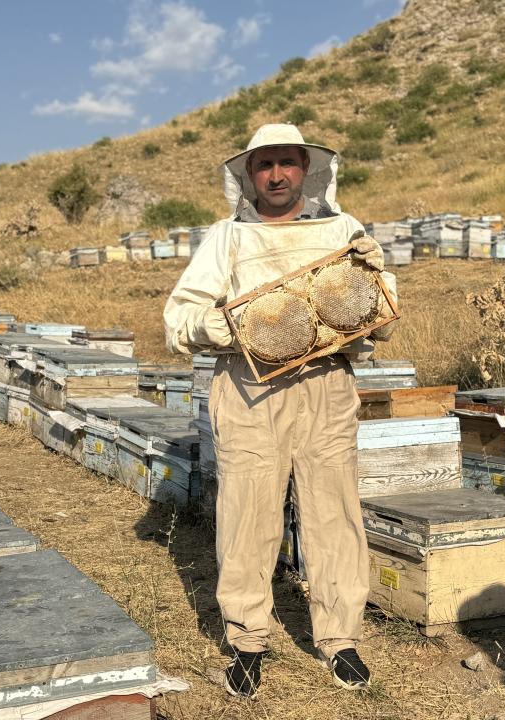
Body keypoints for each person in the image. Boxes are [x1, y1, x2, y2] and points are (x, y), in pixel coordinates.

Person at [163, 124, 397, 699]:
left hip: (326, 386)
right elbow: (178, 318)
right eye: (264, 165)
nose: (275, 175)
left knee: (333, 511)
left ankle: (340, 638)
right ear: (248, 174)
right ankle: (247, 640)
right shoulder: (226, 238)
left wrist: (380, 276)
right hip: (249, 390)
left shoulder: (343, 230)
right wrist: (203, 326)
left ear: (306, 169)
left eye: (286, 163)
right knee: (247, 514)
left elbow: (382, 323)